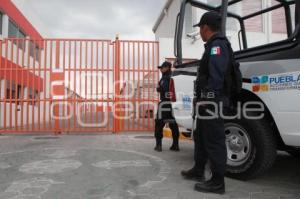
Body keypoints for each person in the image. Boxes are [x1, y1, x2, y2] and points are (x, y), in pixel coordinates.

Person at [181, 11, 232, 194]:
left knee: (214, 140)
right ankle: (198, 170)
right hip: (207, 101)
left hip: (213, 102)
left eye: (200, 29)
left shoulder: (217, 46)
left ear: (205, 27)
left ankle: (218, 182)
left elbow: (216, 76)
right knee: (201, 137)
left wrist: (208, 99)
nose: (200, 32)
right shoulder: (212, 45)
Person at [154, 61, 180, 152]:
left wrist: (158, 88)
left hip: (165, 102)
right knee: (173, 124)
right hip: (173, 103)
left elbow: (163, 89)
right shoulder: (173, 77)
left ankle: (158, 145)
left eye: (162, 67)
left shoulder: (166, 78)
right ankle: (175, 145)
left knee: (159, 123)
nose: (161, 69)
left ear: (167, 68)